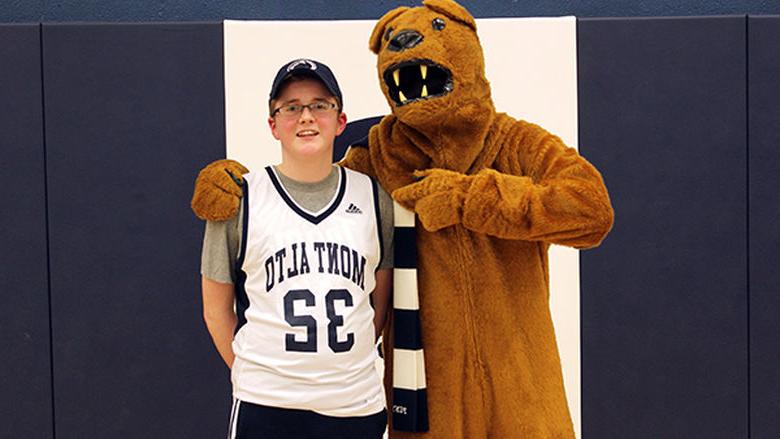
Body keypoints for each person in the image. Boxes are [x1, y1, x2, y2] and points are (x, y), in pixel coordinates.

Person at [199, 58, 393, 439]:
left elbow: (379, 301)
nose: (306, 117)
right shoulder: (238, 198)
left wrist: (342, 371)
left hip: (355, 404)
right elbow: (215, 309)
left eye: (320, 105)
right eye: (291, 108)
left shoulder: (374, 197)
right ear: (273, 125)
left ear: (340, 120)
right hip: (267, 405)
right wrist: (253, 374)